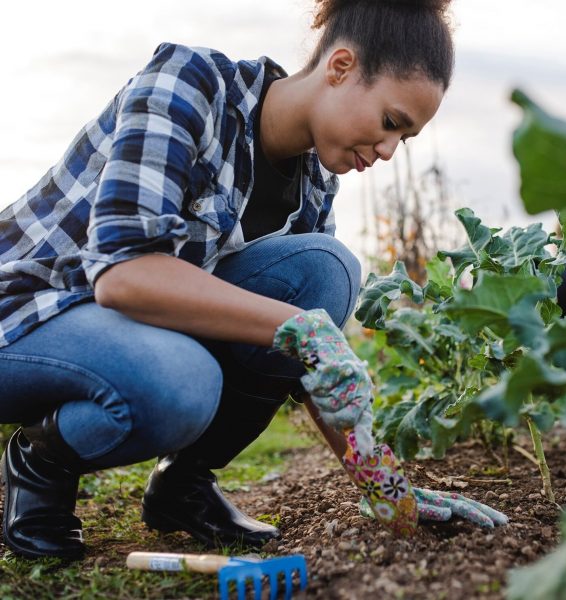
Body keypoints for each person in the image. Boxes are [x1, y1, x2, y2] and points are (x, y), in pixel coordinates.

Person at [0, 0, 505, 561]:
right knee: (183, 383)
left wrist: (384, 487)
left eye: (402, 140)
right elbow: (125, 275)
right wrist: (301, 328)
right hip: (24, 318)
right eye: (391, 123)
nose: (388, 151)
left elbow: (312, 359)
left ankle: (182, 486)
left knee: (327, 268)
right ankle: (41, 459)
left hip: (114, 330)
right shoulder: (189, 84)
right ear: (339, 67)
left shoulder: (314, 184)